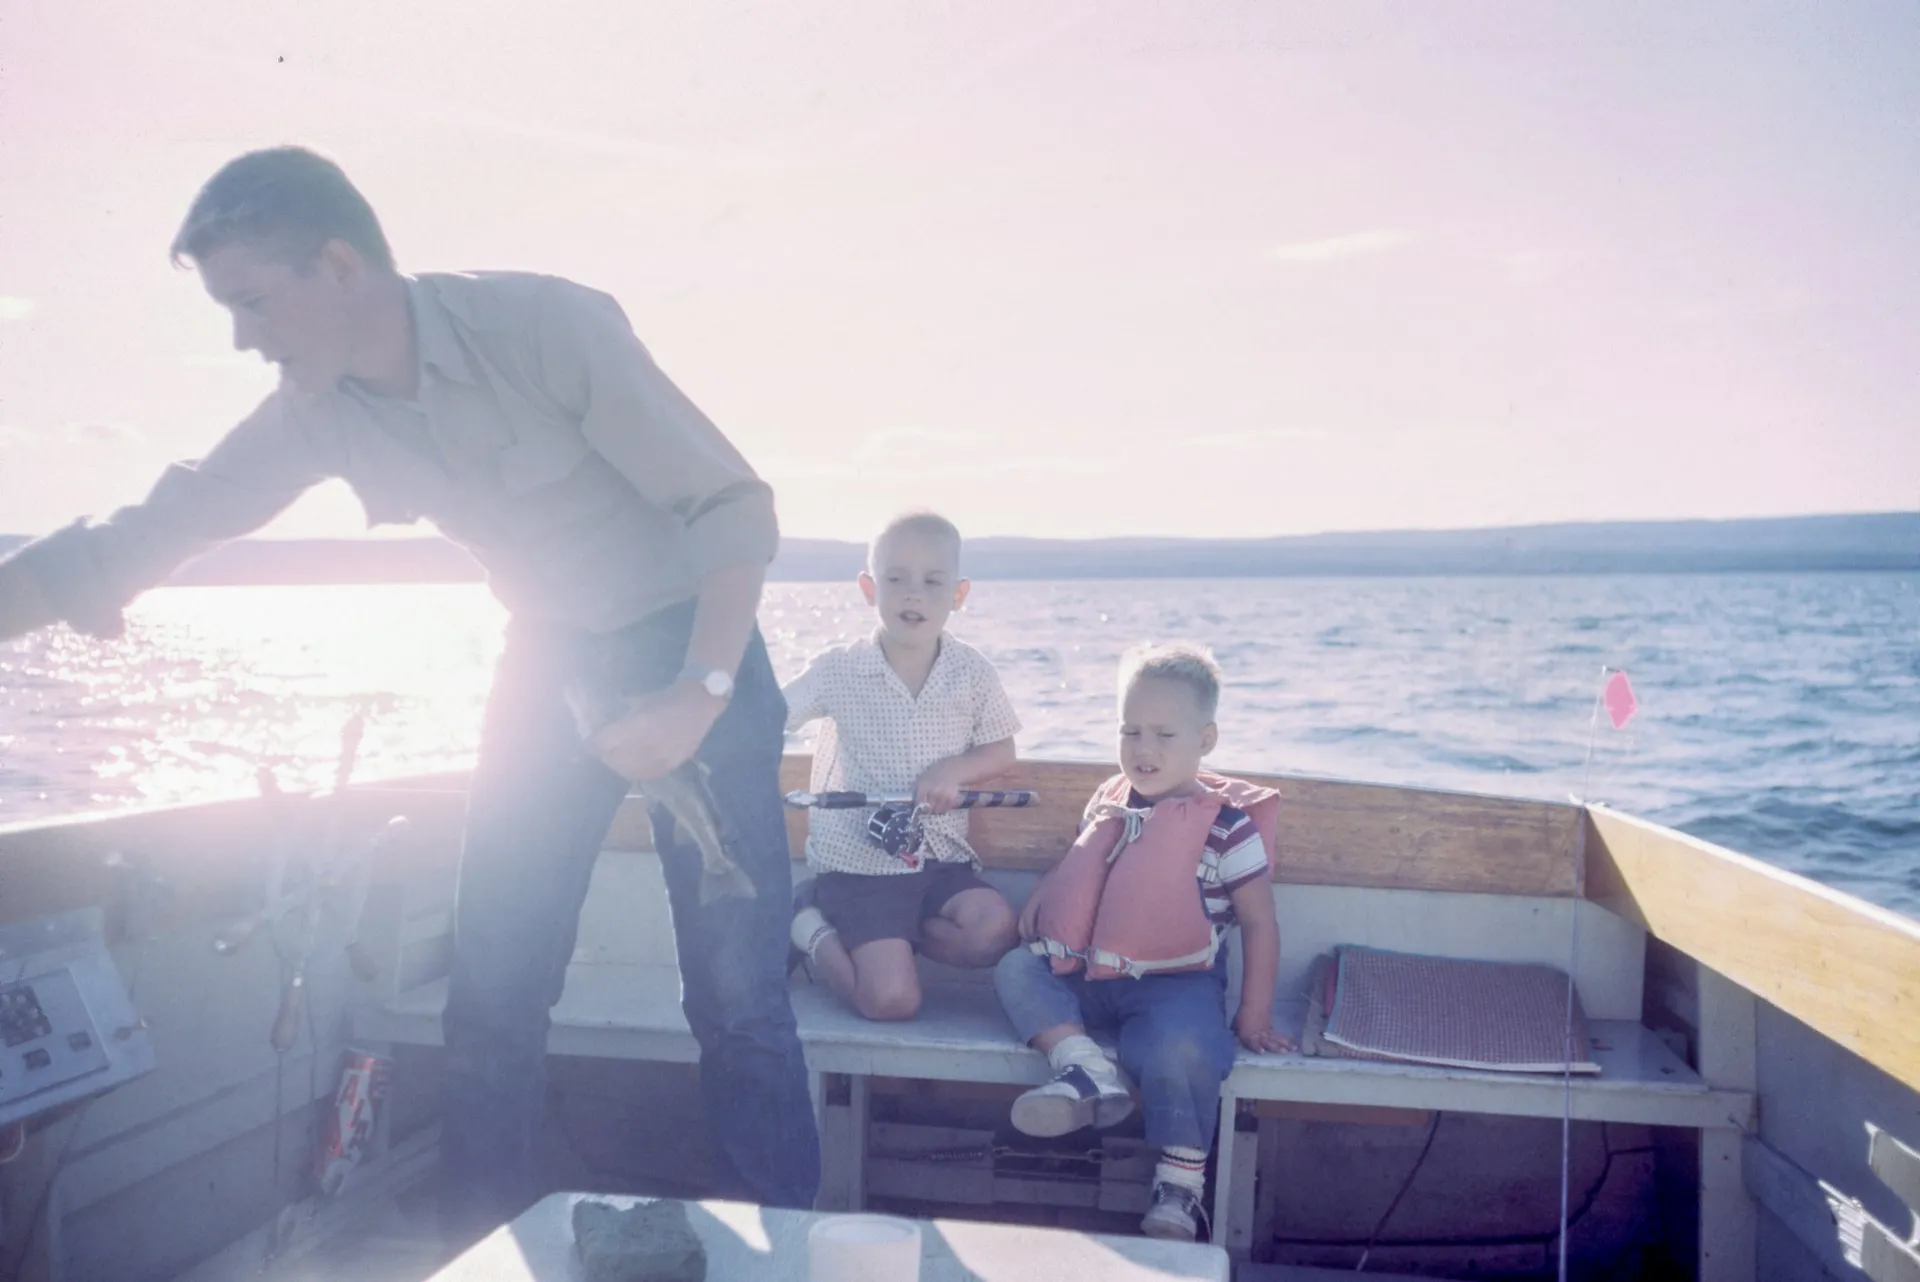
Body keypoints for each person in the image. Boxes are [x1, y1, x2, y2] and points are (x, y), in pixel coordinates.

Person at [0, 146, 819, 1244]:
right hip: (548, 656)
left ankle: (789, 1250)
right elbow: (160, 523)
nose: (242, 339)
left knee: (738, 999)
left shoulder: (546, 326)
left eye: (253, 302)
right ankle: (485, 1251)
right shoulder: (314, 411)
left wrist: (698, 691)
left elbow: (731, 507)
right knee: (490, 994)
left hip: (693, 640)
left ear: (341, 266)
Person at [993, 643, 1292, 1242]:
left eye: (1163, 734)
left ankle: (1179, 1186)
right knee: (1016, 970)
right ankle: (1086, 1071)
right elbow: (1083, 864)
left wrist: (1253, 1013)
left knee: (1183, 1048)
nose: (1143, 748)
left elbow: (1260, 921)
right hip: (1088, 971)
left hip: (1177, 983)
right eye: (1130, 731)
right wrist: (1045, 896)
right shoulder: (1108, 800)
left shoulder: (1227, 829)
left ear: (1206, 740)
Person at [782, 511, 1022, 1020]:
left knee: (994, 932)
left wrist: (953, 770)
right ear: (869, 589)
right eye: (896, 579)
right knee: (891, 1001)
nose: (914, 595)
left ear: (958, 594)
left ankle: (887, 942)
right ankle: (809, 925)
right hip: (860, 869)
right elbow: (770, 716)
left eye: (932, 582)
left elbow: (1002, 751)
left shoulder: (973, 672)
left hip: (941, 862)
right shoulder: (838, 669)